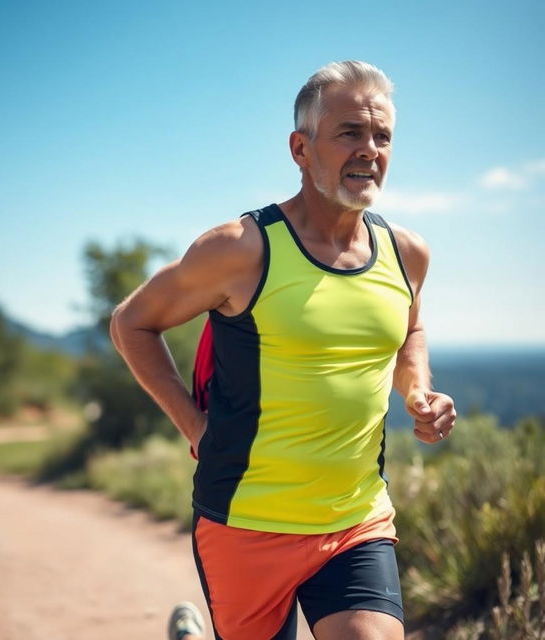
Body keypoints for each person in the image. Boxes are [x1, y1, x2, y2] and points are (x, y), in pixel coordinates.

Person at [109, 60, 457, 640]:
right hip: (246, 520)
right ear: (301, 148)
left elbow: (409, 331)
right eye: (349, 132)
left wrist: (419, 390)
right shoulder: (240, 249)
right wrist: (193, 426)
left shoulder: (406, 254)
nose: (370, 149)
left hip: (355, 519)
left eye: (382, 136)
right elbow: (132, 322)